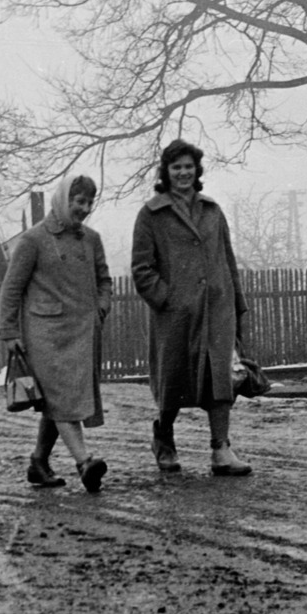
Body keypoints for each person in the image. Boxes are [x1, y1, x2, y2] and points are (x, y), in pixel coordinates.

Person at [130, 138, 252, 477]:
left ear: (197, 171)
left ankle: (221, 450)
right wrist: (168, 300)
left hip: (217, 312)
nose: (183, 173)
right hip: (176, 317)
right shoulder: (151, 214)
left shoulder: (212, 211)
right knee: (173, 380)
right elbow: (142, 269)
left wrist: (237, 306)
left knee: (220, 379)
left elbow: (227, 260)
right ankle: (164, 438)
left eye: (188, 167)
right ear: (165, 172)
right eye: (176, 167)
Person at [0, 174, 113, 493]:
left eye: (89, 202)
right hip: (45, 335)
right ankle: (84, 462)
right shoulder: (33, 239)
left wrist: (101, 308)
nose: (84, 209)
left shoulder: (91, 239)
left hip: (83, 334)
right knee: (62, 397)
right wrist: (9, 331)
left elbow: (104, 280)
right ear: (64, 200)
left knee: (60, 399)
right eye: (79, 201)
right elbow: (11, 288)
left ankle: (38, 462)